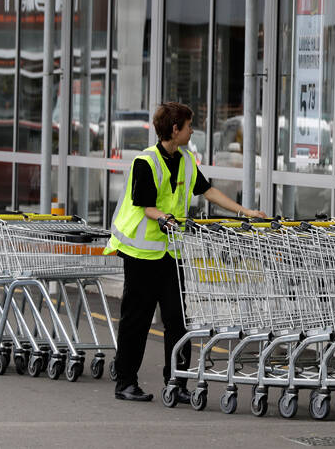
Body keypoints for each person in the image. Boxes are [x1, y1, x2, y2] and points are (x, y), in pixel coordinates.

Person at [104, 102, 266, 402]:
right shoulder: (146, 161)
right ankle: (126, 381)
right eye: (189, 126)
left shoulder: (187, 159)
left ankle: (176, 383)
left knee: (178, 320)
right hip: (141, 254)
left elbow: (207, 190)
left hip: (170, 253)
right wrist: (163, 217)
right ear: (175, 129)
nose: (192, 130)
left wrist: (244, 211)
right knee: (136, 320)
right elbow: (146, 206)